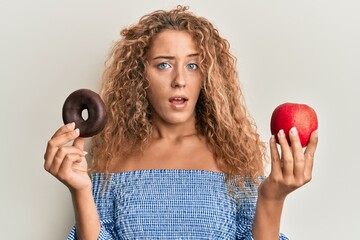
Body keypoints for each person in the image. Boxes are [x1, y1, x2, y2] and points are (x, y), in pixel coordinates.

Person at [44, 6, 318, 240]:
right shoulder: (112, 156)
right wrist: (80, 190)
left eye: (192, 65)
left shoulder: (236, 157)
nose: (180, 80)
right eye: (164, 65)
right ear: (140, 76)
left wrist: (272, 197)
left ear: (207, 75)